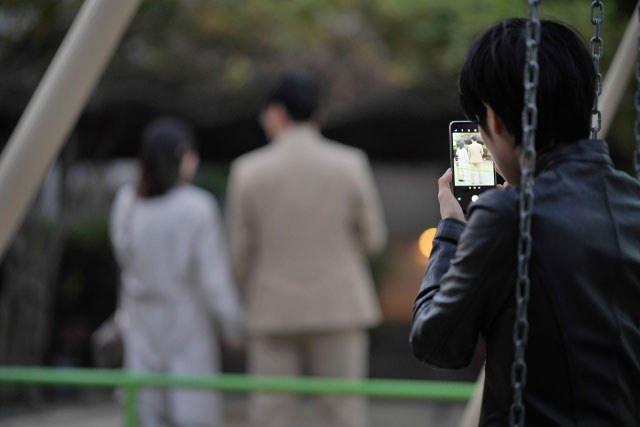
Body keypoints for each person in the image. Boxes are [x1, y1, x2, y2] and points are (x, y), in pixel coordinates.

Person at [410, 19, 640, 426]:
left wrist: (451, 229)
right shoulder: (631, 199)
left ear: (494, 121)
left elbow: (438, 344)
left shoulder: (506, 217)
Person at [227, 73, 387, 427]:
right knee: (342, 411)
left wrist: (241, 297)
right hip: (339, 304)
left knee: (271, 413)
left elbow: (239, 253)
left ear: (278, 112)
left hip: (271, 308)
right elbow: (374, 238)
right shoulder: (350, 163)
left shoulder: (248, 171)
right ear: (318, 115)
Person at [110, 118, 243, 427]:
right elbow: (214, 280)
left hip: (140, 320)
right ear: (181, 156)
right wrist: (233, 325)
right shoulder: (197, 207)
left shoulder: (127, 201)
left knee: (144, 411)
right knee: (192, 411)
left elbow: (123, 257)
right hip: (186, 322)